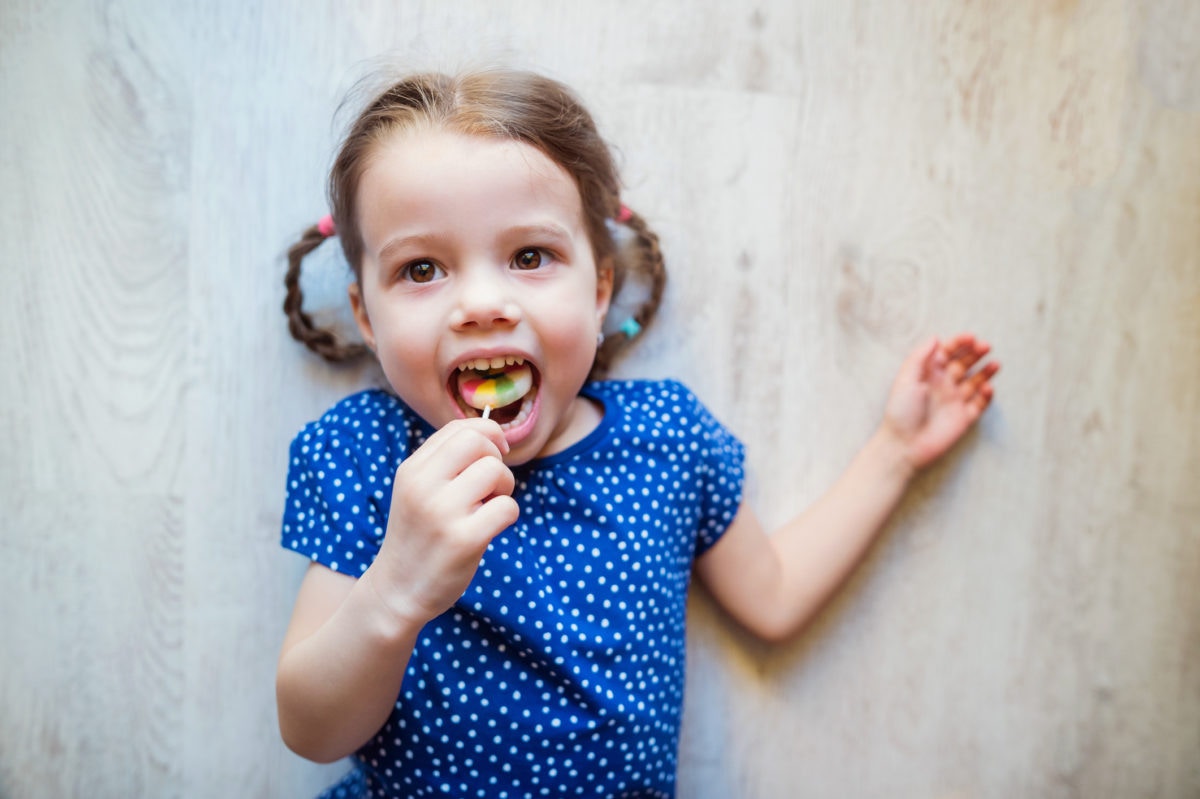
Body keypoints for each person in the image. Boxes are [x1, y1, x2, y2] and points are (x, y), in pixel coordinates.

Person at [276, 68, 999, 799]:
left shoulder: (667, 438)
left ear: (599, 291)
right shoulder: (364, 454)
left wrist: (894, 453)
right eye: (422, 268)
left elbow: (774, 597)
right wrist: (396, 590)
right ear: (366, 316)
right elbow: (311, 730)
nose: (483, 303)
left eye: (529, 257)